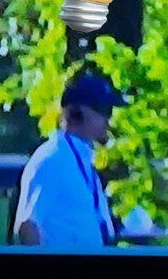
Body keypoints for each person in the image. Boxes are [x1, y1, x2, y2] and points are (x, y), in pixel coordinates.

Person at [12, 72, 128, 248]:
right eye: (104, 111)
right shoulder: (53, 158)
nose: (108, 120)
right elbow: (27, 226)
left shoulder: (80, 161)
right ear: (77, 113)